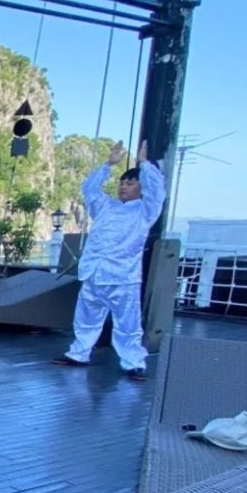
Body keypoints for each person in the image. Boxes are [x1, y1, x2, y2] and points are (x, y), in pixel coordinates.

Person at [52, 140, 165, 381]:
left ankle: (134, 362)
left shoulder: (145, 211)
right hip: (94, 273)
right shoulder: (105, 207)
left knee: (128, 324)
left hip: (122, 278)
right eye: (122, 182)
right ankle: (79, 354)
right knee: (86, 318)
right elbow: (90, 189)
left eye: (130, 182)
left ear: (140, 187)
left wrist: (145, 165)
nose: (123, 186)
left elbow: (158, 192)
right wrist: (108, 165)